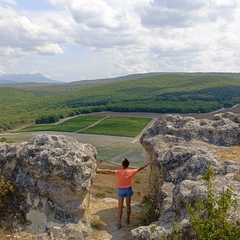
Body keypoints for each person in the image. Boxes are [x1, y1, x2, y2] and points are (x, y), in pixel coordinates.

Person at [96, 158, 152, 229]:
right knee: (128, 206)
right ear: (128, 165)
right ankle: (128, 220)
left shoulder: (118, 172)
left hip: (121, 191)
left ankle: (119, 223)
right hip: (128, 190)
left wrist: (98, 170)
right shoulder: (131, 171)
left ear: (122, 165)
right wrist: (149, 162)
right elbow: (140, 168)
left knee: (120, 207)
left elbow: (109, 171)